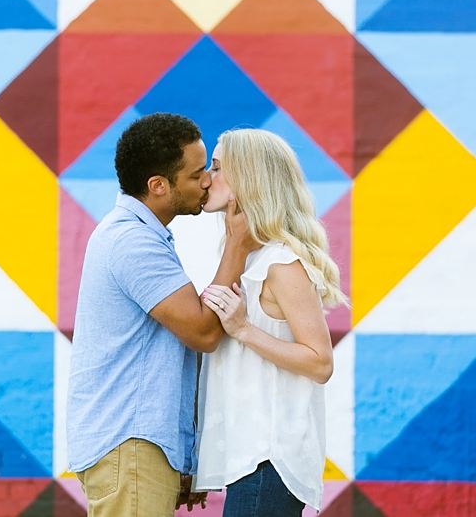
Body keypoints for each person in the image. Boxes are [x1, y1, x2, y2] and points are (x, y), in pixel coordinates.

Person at [66, 113, 259, 517]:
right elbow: (204, 333)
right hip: (130, 445)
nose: (207, 180)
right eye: (195, 174)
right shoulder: (132, 242)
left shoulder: (141, 235)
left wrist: (181, 457)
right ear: (158, 186)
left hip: (138, 448)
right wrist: (238, 245)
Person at [193, 129, 349, 516]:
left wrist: (245, 330)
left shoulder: (281, 264)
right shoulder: (250, 259)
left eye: (215, 167)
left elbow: (320, 361)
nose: (206, 177)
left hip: (269, 461)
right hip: (251, 463)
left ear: (247, 178)